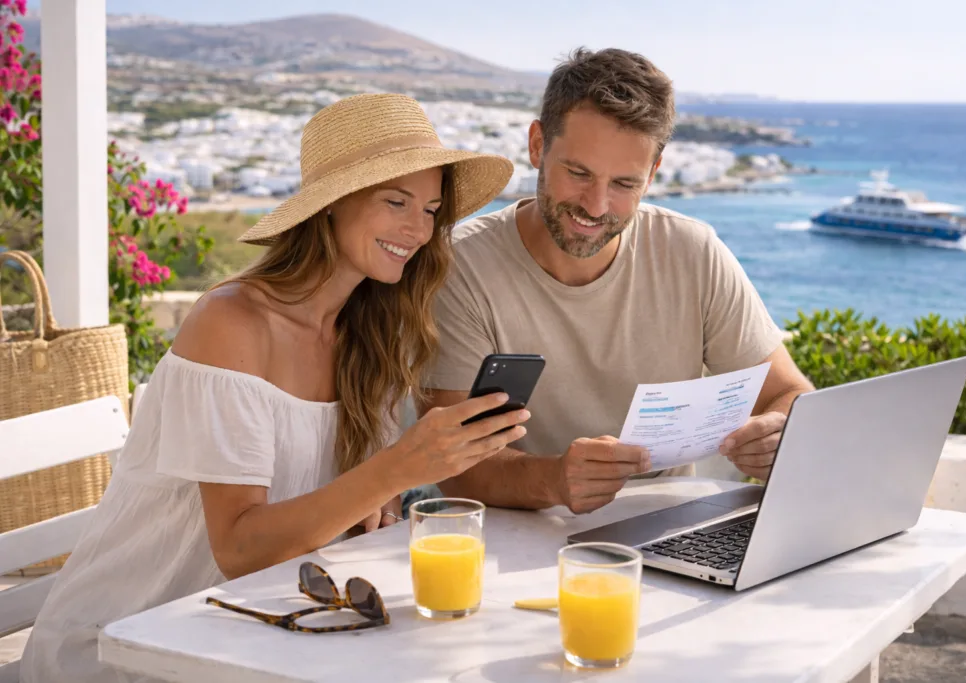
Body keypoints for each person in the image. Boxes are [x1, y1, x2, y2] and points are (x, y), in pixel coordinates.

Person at [20, 93, 526, 683]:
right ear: (331, 204)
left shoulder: (374, 335)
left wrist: (376, 507)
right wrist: (399, 469)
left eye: (432, 210)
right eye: (396, 202)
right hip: (130, 642)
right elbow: (239, 549)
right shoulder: (231, 324)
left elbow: (349, 507)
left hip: (265, 629)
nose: (419, 229)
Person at [419, 48, 815, 515]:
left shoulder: (694, 252)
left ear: (653, 173)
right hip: (516, 540)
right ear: (536, 145)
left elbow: (788, 393)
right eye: (578, 173)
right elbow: (455, 466)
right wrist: (555, 480)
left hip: (667, 529)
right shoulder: (460, 267)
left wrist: (776, 431)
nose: (596, 205)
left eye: (625, 184)